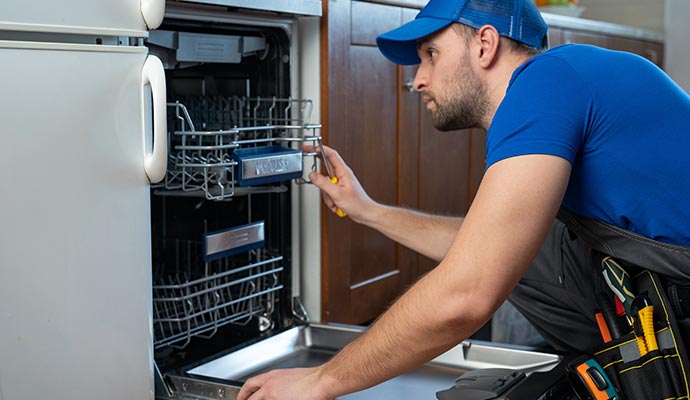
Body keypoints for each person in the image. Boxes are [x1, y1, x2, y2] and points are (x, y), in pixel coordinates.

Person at [237, 0, 690, 398]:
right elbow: (488, 247)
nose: (418, 80)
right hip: (667, 276)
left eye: (431, 55)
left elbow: (468, 293)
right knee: (528, 252)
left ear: (485, 45)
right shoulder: (566, 80)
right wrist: (368, 211)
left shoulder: (546, 82)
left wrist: (319, 382)